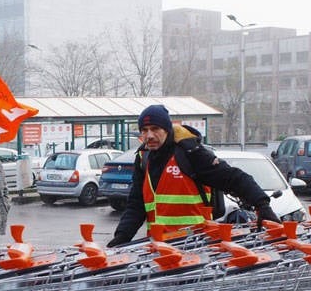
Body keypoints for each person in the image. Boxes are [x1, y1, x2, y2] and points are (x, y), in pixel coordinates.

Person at [110, 104, 279, 246]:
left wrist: (262, 204)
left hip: (195, 244)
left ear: (167, 130)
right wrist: (121, 238)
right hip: (160, 246)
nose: (149, 135)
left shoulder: (190, 153)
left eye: (155, 129)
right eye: (144, 130)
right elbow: (136, 205)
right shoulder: (143, 158)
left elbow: (233, 178)